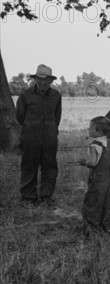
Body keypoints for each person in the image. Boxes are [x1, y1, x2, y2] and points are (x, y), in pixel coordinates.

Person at [16, 64, 62, 205]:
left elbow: (57, 116)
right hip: (30, 135)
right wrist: (31, 126)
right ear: (35, 79)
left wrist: (51, 128)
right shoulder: (25, 95)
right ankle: (28, 198)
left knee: (50, 165)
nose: (43, 82)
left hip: (50, 136)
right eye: (40, 79)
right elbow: (20, 116)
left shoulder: (56, 95)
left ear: (51, 81)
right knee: (29, 165)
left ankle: (46, 196)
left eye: (46, 80)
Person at [78, 116, 110, 232]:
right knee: (107, 203)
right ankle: (107, 228)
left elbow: (93, 163)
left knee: (93, 202)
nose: (88, 130)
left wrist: (84, 163)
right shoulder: (109, 144)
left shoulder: (95, 145)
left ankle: (91, 229)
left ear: (99, 132)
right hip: (109, 178)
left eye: (91, 128)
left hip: (98, 179)